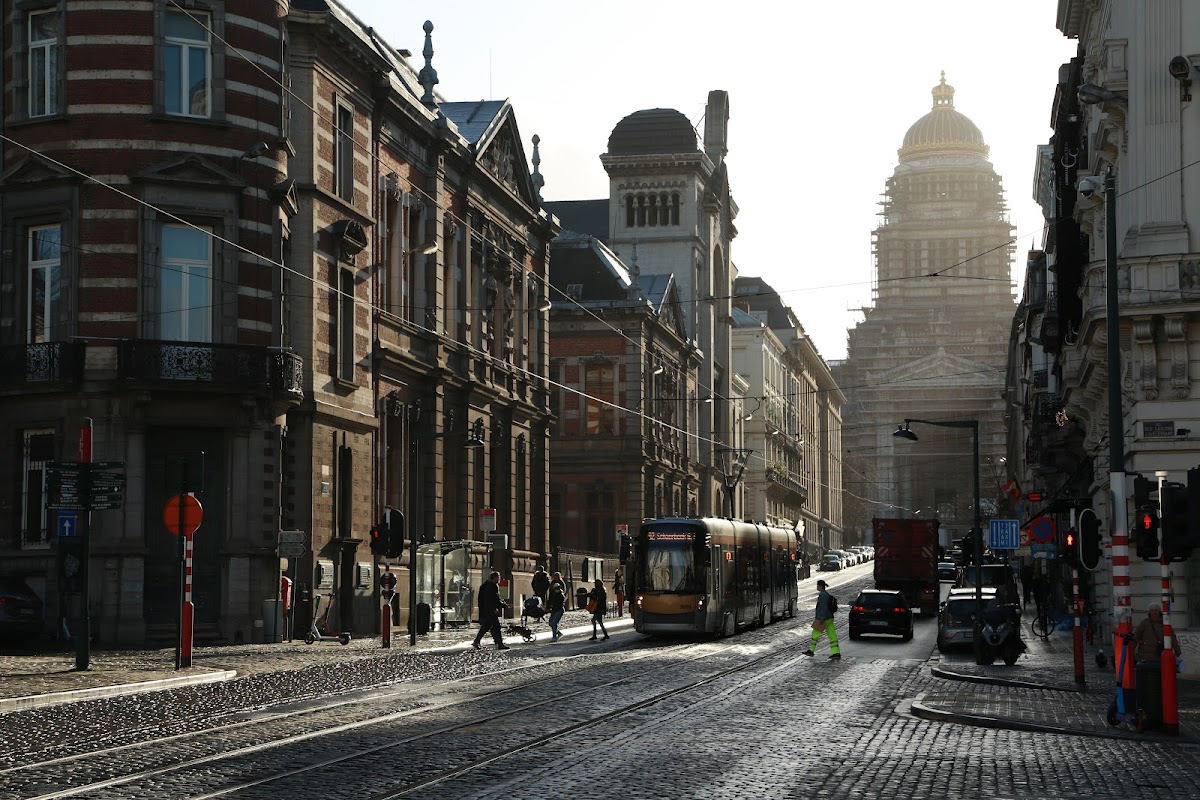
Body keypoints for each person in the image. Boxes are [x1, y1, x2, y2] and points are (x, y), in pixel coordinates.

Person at [471, 571, 509, 651]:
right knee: (496, 626)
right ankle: (499, 644)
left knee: (486, 627)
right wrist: (494, 609)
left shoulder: (491, 586)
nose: (499, 579)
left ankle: (476, 641)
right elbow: (490, 600)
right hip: (489, 611)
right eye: (498, 577)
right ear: (494, 578)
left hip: (487, 610)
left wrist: (503, 605)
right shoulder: (490, 587)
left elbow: (496, 598)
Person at [804, 579, 840, 660]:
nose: (816, 587)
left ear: (820, 586)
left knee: (815, 634)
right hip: (829, 618)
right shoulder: (826, 594)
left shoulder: (823, 595)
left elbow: (823, 607)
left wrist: (821, 618)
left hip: (824, 618)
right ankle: (836, 652)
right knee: (832, 635)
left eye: (817, 585)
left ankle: (811, 651)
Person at [547, 572, 566, 640]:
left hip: (559, 609)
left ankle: (554, 636)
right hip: (555, 609)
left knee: (554, 622)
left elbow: (559, 603)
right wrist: (548, 607)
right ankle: (558, 633)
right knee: (551, 623)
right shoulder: (553, 593)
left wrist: (553, 607)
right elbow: (550, 599)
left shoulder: (560, 595)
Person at [279, 571, 293, 641]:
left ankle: (285, 636)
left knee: (285, 618)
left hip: (285, 603)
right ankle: (285, 636)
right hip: (285, 603)